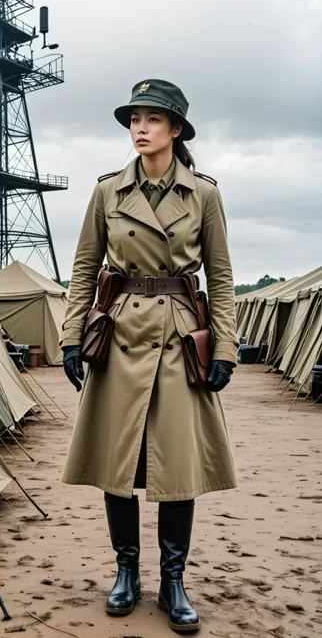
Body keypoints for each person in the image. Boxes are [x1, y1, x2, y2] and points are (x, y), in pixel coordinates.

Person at [60, 79, 238, 634]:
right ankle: (127, 574)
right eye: (134, 118)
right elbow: (85, 268)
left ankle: (174, 580)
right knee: (119, 463)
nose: (139, 127)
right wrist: (71, 337)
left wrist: (225, 347)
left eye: (152, 119)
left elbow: (222, 276)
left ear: (176, 130)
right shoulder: (108, 191)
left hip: (180, 338)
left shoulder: (203, 194)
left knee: (177, 466)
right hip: (118, 337)